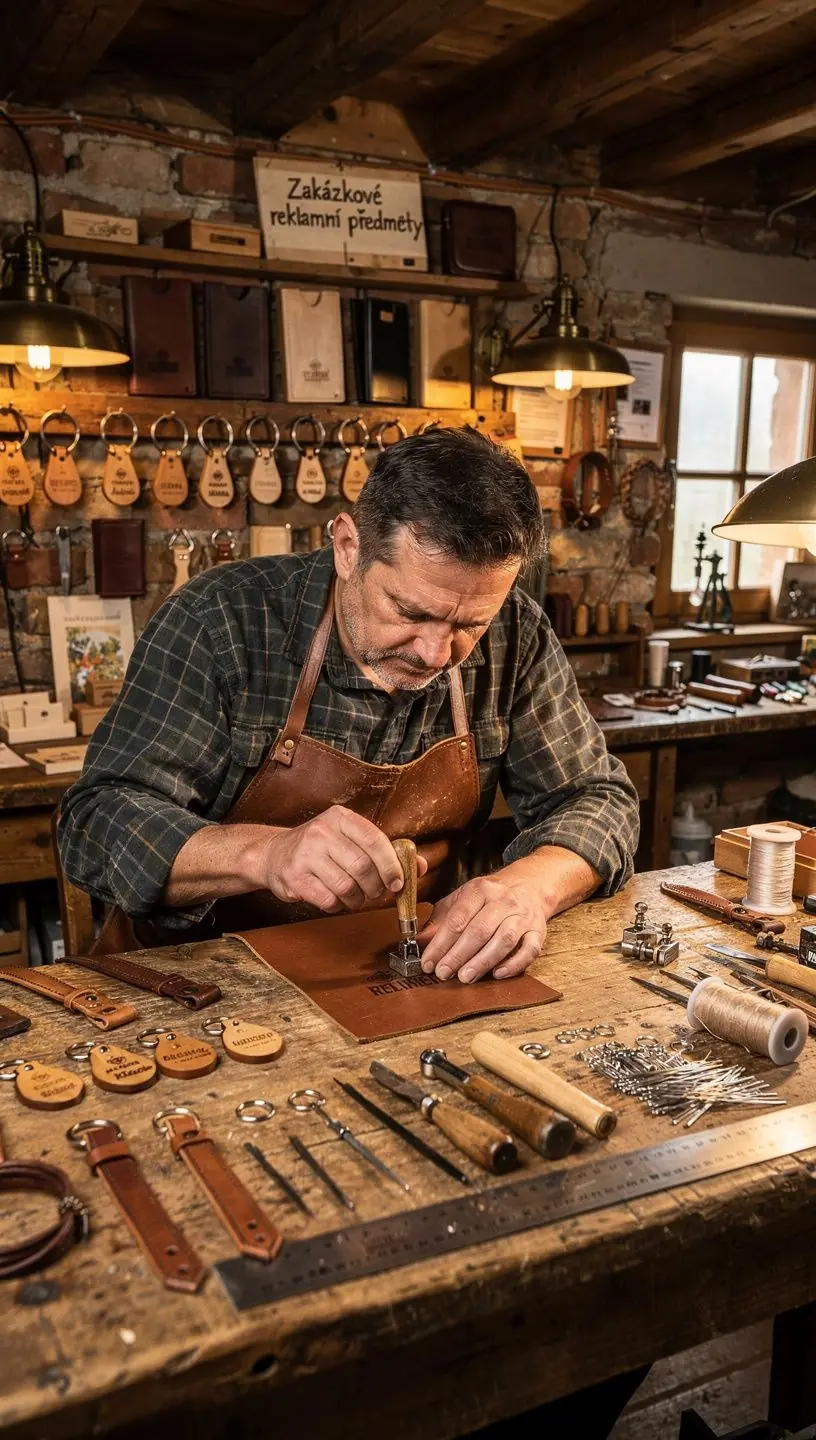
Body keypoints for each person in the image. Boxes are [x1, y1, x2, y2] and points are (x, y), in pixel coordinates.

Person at [58, 426, 639, 975]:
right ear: (347, 547)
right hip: (203, 979)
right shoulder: (221, 622)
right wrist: (266, 854)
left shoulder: (518, 632)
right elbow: (95, 823)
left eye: (470, 625)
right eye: (411, 613)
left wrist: (531, 885)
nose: (437, 653)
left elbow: (597, 799)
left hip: (416, 970)